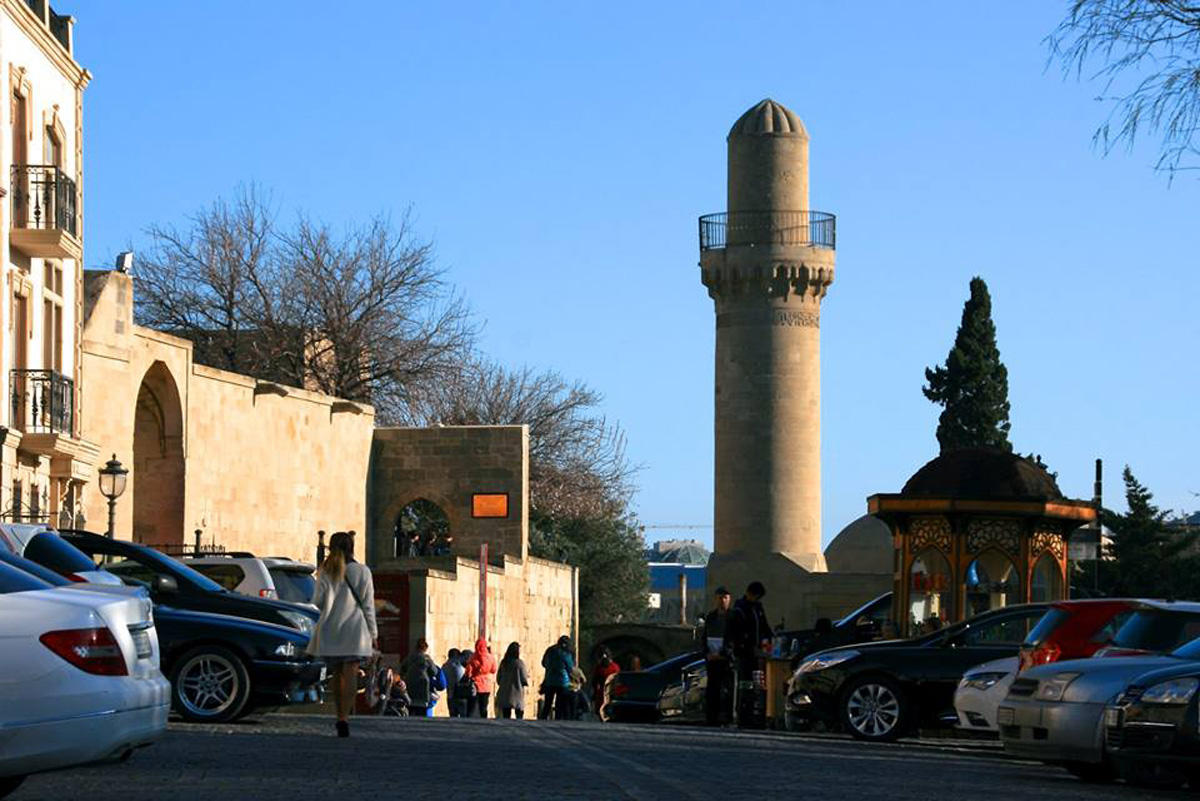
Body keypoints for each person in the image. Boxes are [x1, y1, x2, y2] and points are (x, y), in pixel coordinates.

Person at [307, 531, 377, 737]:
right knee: (350, 672)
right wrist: (373, 632)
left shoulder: (326, 571)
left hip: (331, 628)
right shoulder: (363, 571)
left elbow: (317, 602)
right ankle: (345, 718)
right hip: (355, 629)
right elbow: (368, 605)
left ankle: (339, 715)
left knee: (336, 673)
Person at [725, 581, 773, 728]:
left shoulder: (757, 607)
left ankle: (756, 715)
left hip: (757, 653)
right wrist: (741, 646)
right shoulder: (740, 609)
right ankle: (744, 715)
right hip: (745, 654)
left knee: (758, 684)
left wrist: (770, 638)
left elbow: (764, 625)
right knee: (745, 684)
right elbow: (734, 632)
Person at [700, 585, 733, 726]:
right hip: (712, 660)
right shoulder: (711, 617)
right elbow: (704, 637)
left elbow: (734, 638)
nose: (722, 601)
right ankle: (711, 718)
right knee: (712, 690)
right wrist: (707, 654)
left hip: (727, 661)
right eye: (720, 598)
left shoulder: (733, 617)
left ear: (729, 599)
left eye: (725, 598)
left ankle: (726, 717)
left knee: (727, 690)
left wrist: (725, 653)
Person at [400, 638, 441, 717]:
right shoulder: (426, 658)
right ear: (425, 648)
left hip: (410, 684)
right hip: (423, 685)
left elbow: (402, 669)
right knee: (422, 709)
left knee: (411, 706)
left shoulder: (409, 657)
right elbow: (434, 671)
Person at [541, 635, 574, 720]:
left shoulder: (550, 650)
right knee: (559, 704)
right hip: (562, 682)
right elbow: (570, 667)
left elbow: (543, 663)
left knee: (547, 703)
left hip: (549, 680)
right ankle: (557, 721)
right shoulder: (566, 653)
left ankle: (543, 719)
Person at [495, 642, 529, 719]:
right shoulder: (519, 663)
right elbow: (524, 678)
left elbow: (498, 678)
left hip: (505, 691)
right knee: (519, 711)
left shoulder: (504, 662)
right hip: (517, 692)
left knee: (506, 714)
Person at [464, 638, 498, 718]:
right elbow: (494, 670)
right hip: (486, 685)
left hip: (476, 685)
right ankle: (484, 719)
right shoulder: (491, 658)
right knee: (484, 705)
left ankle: (470, 719)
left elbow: (468, 672)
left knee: (472, 705)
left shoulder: (473, 658)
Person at [590, 648, 620, 713]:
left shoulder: (600, 668)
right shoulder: (615, 667)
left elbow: (594, 682)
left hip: (604, 694)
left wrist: (594, 693)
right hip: (612, 693)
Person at [442, 648, 466, 717]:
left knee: (452, 715)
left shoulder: (444, 666)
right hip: (460, 694)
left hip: (450, 694)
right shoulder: (460, 666)